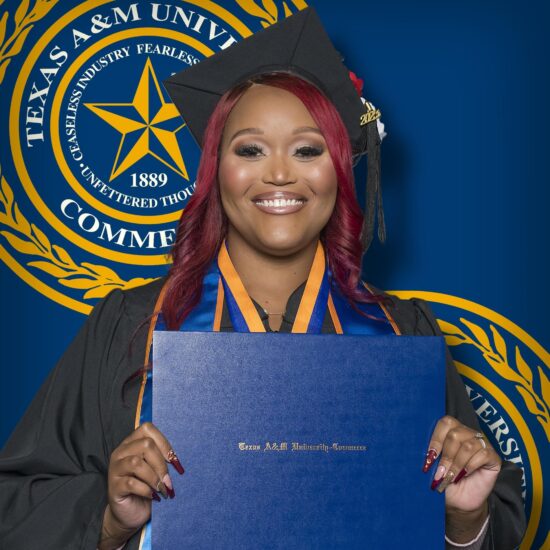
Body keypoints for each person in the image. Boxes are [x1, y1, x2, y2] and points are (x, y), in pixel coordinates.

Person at [0, 8, 525, 550]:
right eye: (250, 149)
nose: (279, 173)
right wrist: (110, 518)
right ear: (215, 170)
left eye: (307, 149)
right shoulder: (130, 327)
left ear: (339, 170)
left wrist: (463, 521)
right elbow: (14, 507)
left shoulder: (404, 333)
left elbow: (481, 523)